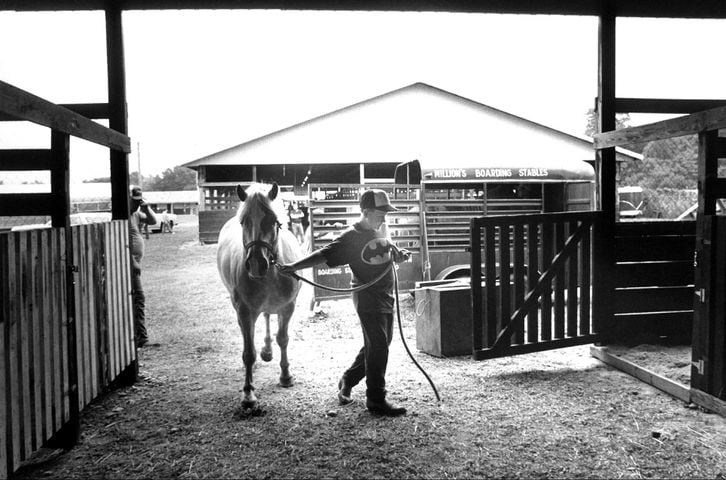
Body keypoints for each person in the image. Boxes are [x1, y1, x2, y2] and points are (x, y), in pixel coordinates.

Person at [277, 189, 410, 416]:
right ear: (366, 212)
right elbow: (324, 254)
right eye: (380, 214)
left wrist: (399, 255)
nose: (384, 219)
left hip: (386, 295)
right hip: (367, 297)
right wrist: (294, 267)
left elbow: (387, 250)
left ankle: (348, 378)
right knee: (378, 345)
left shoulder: (379, 229)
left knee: (380, 344)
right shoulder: (350, 238)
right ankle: (375, 398)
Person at [129, 186, 158, 348]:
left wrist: (147, 207)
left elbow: (153, 221)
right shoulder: (124, 217)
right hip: (130, 264)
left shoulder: (136, 215)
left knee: (135, 298)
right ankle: (142, 338)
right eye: (135, 202)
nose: (137, 205)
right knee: (139, 298)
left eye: (139, 202)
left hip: (134, 264)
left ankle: (138, 335)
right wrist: (132, 261)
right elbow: (121, 242)